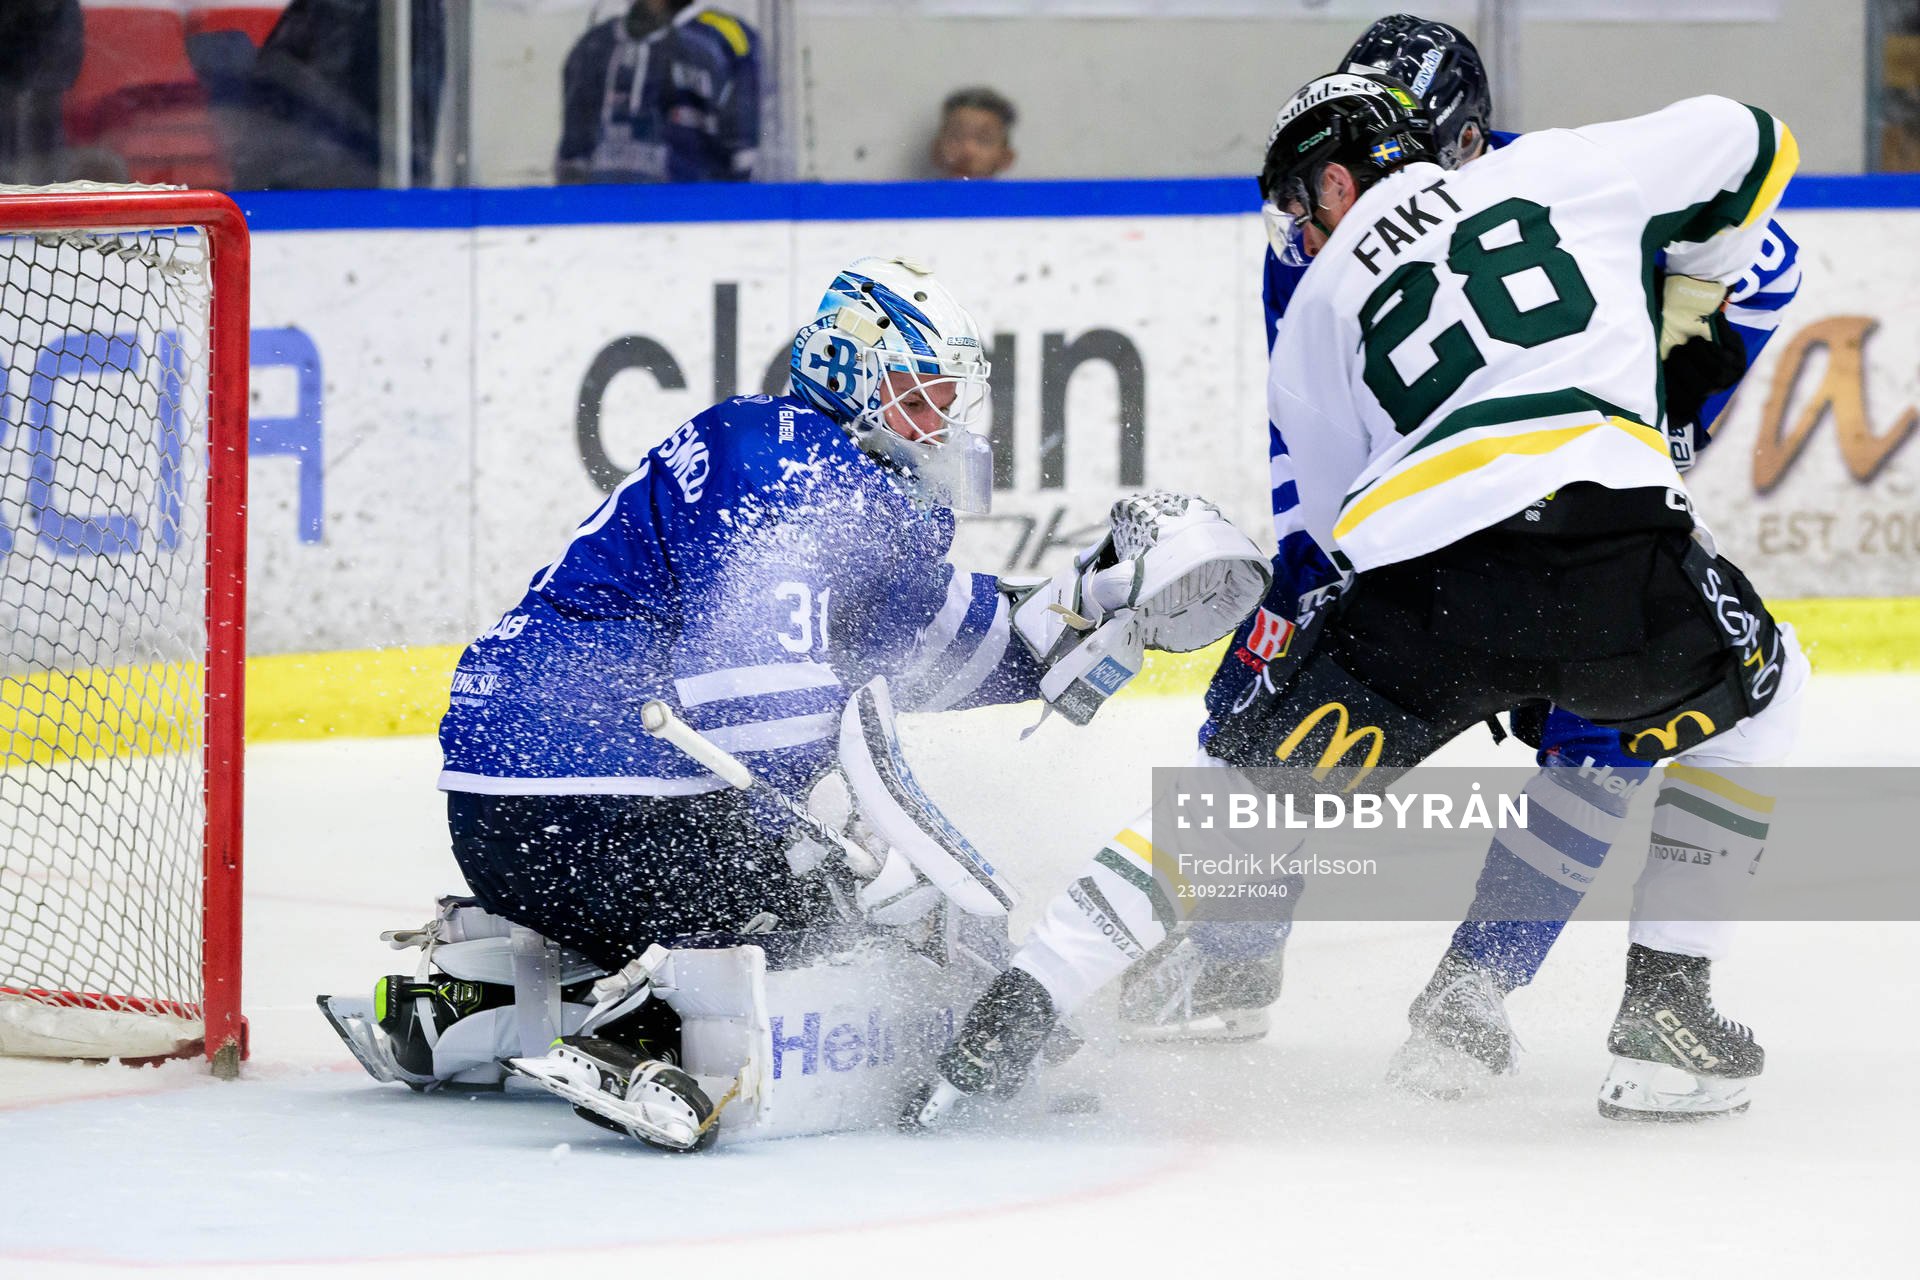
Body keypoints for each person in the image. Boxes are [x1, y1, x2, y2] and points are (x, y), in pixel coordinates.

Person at [912, 74, 1808, 1130]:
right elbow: (1761, 141)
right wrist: (1693, 302)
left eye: (1301, 200)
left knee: (1225, 802)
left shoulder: (1319, 311)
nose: (1297, 226)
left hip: (1424, 599)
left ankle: (1011, 1016)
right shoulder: (1560, 170)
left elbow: (1344, 530)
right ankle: (1668, 1005)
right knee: (1772, 691)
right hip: (1615, 560)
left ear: (1341, 177)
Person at [319, 256, 1269, 1130]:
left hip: (519, 820)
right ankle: (656, 1036)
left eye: (948, 402)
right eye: (920, 397)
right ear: (852, 378)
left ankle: (483, 997)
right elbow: (765, 714)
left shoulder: (828, 473)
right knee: (853, 929)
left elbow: (962, 649)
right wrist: (868, 860)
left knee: (841, 893)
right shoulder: (796, 472)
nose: (943, 426)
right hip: (601, 817)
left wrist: (1091, 594)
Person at [556, 0, 760, 184]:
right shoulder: (594, 45)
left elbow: (745, 159)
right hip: (604, 215)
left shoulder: (725, 42)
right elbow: (572, 160)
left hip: (693, 216)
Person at [929, 86, 1018, 180]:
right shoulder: (919, 194)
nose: (967, 151)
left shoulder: (1019, 195)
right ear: (936, 150)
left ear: (1005, 158)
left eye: (983, 140)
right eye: (956, 137)